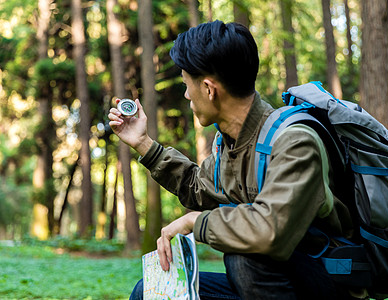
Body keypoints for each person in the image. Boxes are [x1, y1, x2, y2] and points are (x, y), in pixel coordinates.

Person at [109, 20, 364, 300]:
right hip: (274, 283)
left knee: (244, 257)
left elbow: (270, 231)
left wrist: (197, 222)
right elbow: (198, 186)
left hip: (328, 282)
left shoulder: (294, 141)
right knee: (146, 292)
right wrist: (144, 143)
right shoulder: (231, 143)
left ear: (208, 89)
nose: (185, 94)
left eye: (186, 84)